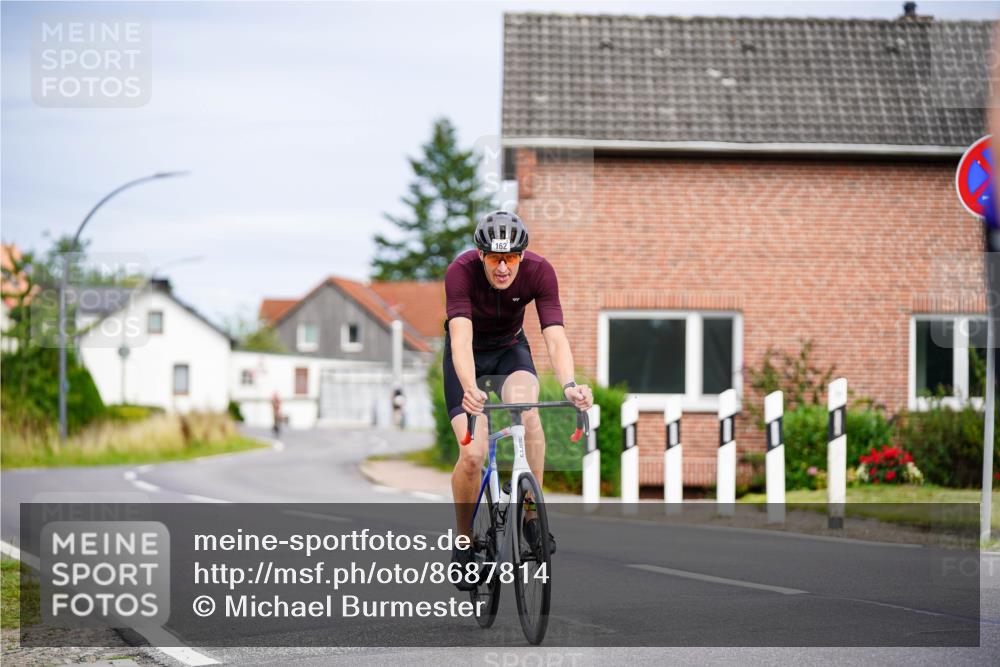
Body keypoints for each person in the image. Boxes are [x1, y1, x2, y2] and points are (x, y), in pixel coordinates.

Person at [443, 210, 593, 590]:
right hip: (468, 359)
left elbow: (554, 336)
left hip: (510, 351)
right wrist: (469, 387)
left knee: (528, 412)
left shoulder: (540, 271)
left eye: (510, 258)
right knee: (473, 455)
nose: (503, 267)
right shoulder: (460, 272)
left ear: (522, 256)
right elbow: (460, 339)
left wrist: (570, 385)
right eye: (495, 258)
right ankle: (463, 542)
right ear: (481, 255)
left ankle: (530, 516)